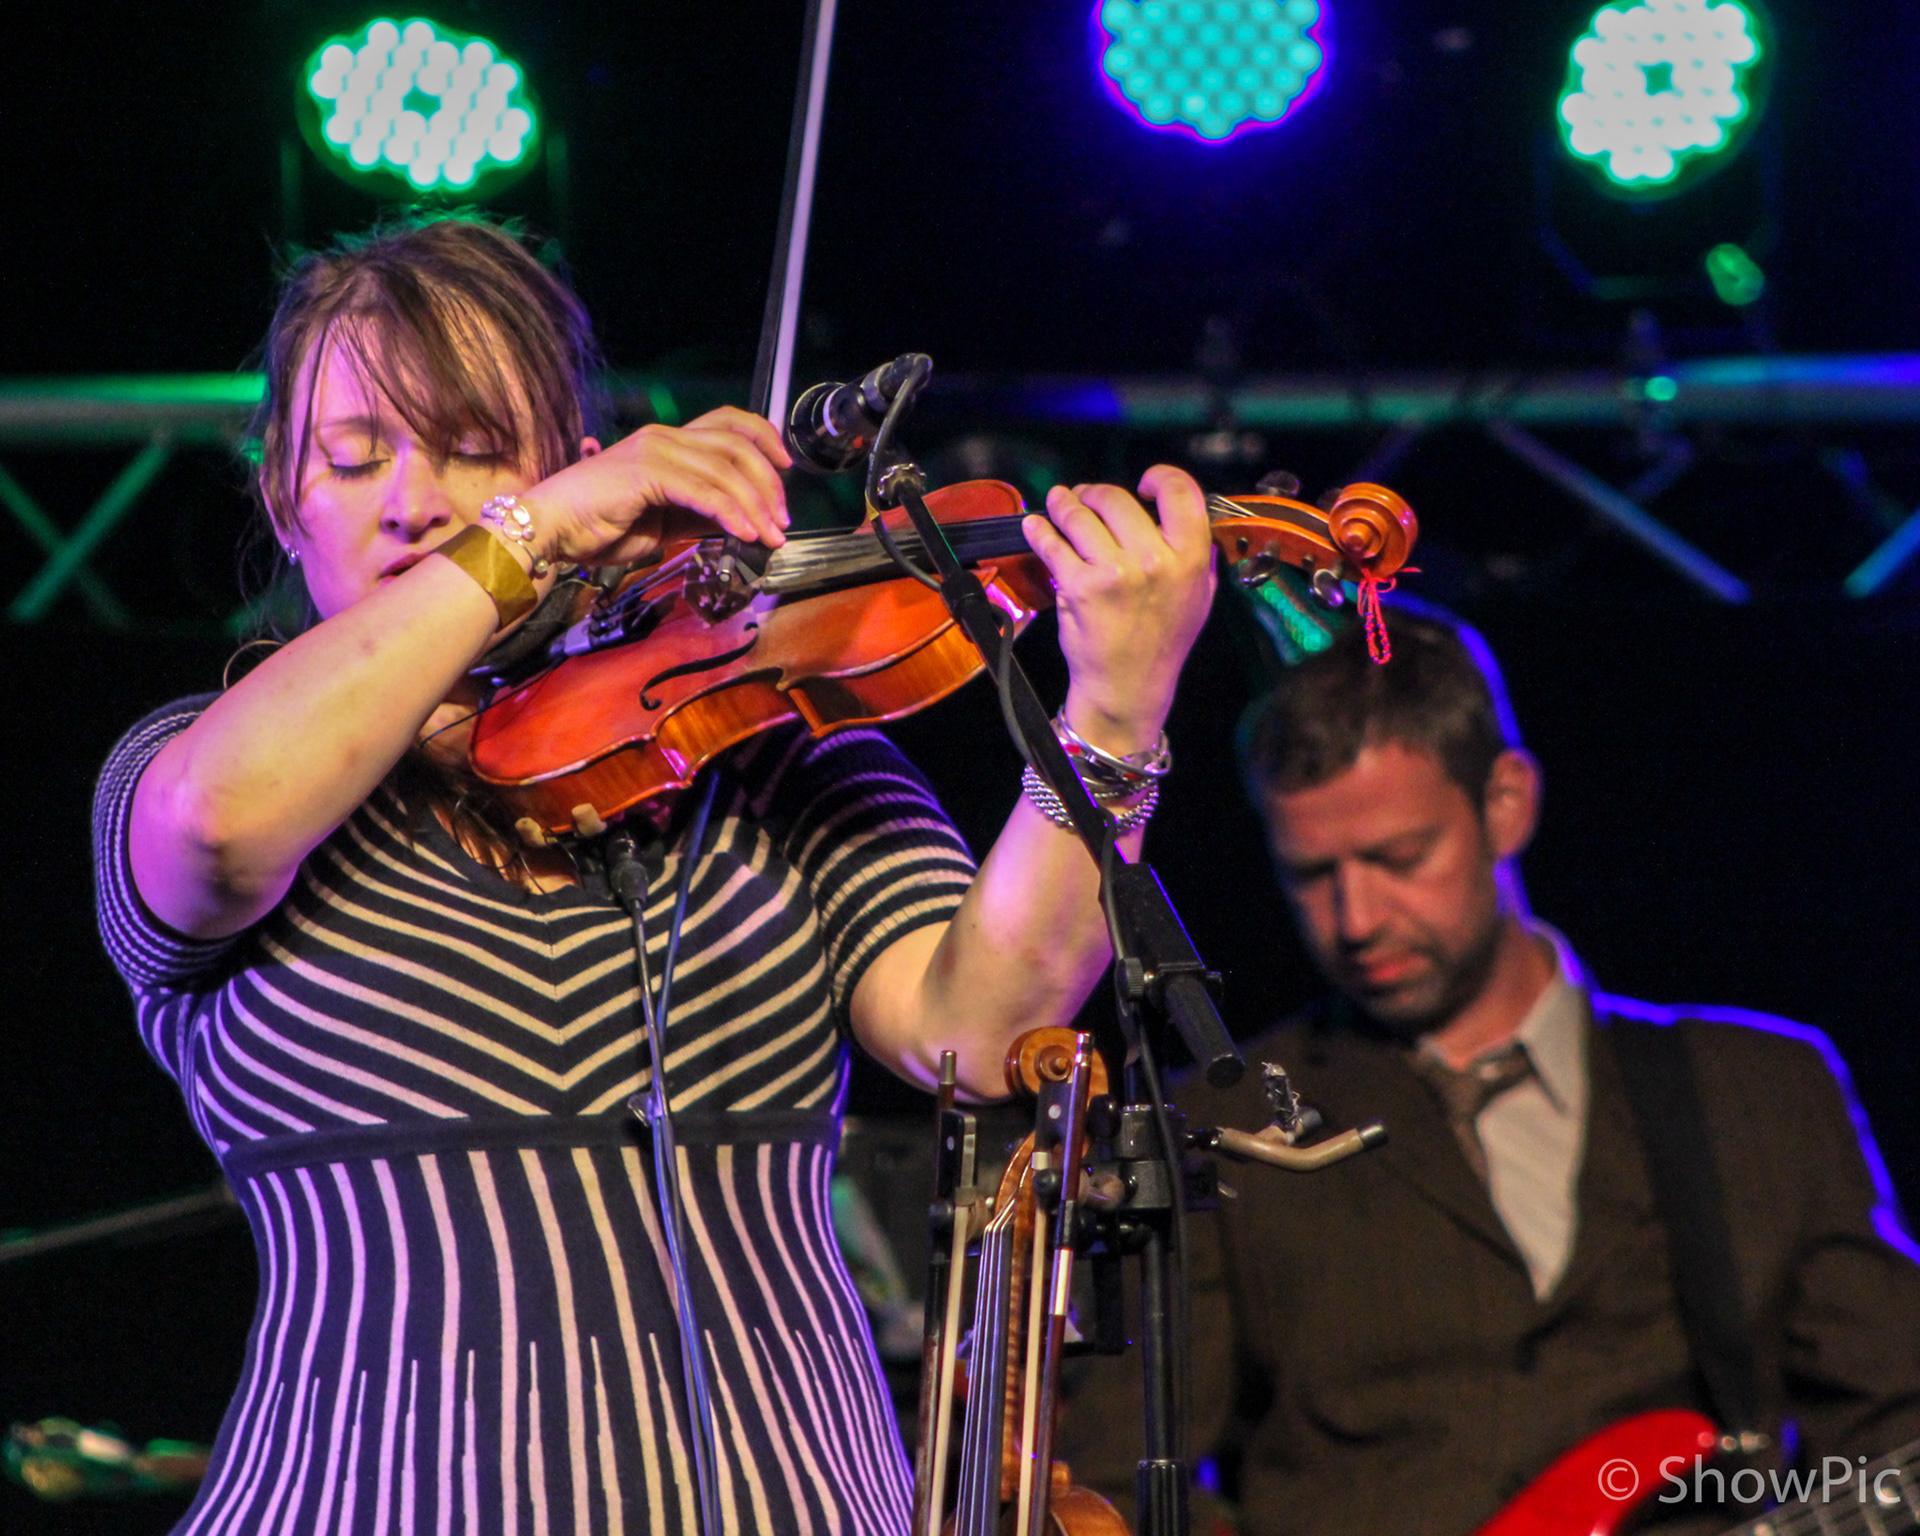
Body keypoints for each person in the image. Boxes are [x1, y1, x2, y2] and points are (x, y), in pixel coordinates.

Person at [90, 214, 1216, 1535]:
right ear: (284, 499)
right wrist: (521, 526)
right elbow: (215, 825)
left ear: (584, 472)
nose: (413, 500)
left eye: (473, 452)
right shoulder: (193, 764)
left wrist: (1117, 723)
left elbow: (975, 1031)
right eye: (354, 458)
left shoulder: (755, 745)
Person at [1055, 605, 1920, 1536]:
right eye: (1312, 873)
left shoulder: (1761, 1088)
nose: (1355, 919)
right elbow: (1121, 1485)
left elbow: (1890, 1420)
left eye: (1399, 857)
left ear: (1505, 804)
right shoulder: (1221, 1127)